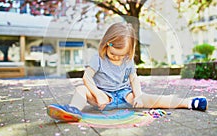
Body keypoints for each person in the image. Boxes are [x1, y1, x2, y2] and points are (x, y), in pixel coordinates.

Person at [47, 22, 207, 122]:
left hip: (125, 96)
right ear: (105, 45)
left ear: (130, 51)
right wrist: (97, 94)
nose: (117, 58)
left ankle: (189, 102)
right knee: (80, 90)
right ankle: (73, 110)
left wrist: (137, 95)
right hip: (103, 98)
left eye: (122, 55)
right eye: (113, 54)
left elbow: (134, 78)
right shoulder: (98, 58)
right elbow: (86, 77)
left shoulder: (128, 60)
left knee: (153, 99)